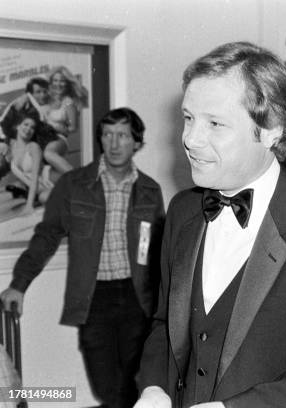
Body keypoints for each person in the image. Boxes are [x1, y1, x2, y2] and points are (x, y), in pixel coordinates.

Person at [134, 41, 286, 408]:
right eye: (188, 118)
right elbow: (164, 326)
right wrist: (154, 389)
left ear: (271, 130)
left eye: (215, 123)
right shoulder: (183, 211)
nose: (190, 139)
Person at [0, 107, 165, 408]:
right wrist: (19, 285)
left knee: (134, 384)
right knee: (106, 386)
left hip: (138, 299)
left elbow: (157, 251)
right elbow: (46, 237)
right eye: (107, 135)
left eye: (123, 136)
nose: (114, 144)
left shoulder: (150, 191)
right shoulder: (73, 185)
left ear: (137, 143)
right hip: (93, 299)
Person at [43, 66, 89, 175]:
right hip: (42, 138)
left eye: (62, 81)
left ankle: (77, 179)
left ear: (67, 83)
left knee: (48, 153)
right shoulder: (46, 99)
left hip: (58, 138)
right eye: (55, 80)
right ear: (51, 82)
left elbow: (73, 127)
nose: (58, 84)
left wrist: (57, 128)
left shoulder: (68, 102)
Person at [7, 113, 54, 214]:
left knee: (44, 198)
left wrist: (29, 205)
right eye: (26, 124)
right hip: (36, 192)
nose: (28, 129)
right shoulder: (11, 146)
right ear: (17, 126)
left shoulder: (33, 147)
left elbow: (35, 177)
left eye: (32, 127)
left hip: (48, 187)